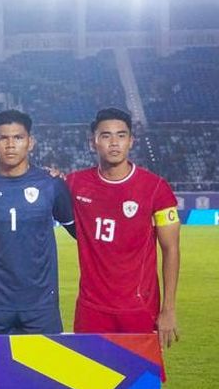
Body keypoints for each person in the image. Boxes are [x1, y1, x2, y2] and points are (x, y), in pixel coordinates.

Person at [66, 108, 180, 347]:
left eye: (121, 135)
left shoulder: (156, 188)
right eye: (106, 136)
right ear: (93, 142)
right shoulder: (75, 183)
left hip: (139, 306)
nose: (114, 142)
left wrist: (168, 309)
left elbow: (171, 249)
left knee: (139, 383)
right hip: (91, 308)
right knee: (88, 381)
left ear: (131, 141)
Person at [0, 109, 76, 335]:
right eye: (3, 138)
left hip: (40, 306)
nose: (10, 144)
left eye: (18, 137)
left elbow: (83, 234)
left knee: (45, 370)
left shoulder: (51, 184)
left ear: (30, 142)